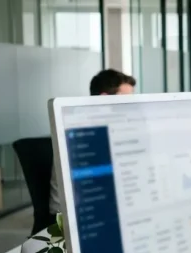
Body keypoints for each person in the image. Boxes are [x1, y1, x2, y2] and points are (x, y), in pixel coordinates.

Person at [50, 69, 136, 214]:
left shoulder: (115, 130)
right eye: (125, 99)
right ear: (104, 98)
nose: (130, 106)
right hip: (72, 217)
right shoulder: (81, 131)